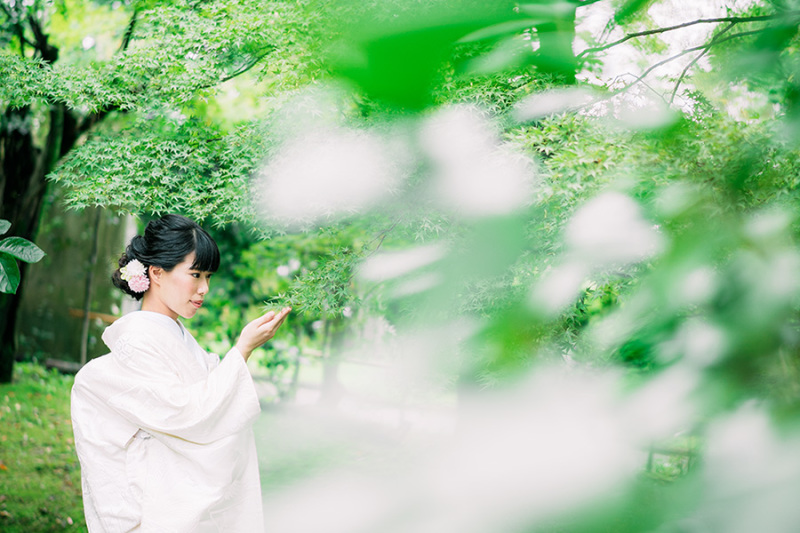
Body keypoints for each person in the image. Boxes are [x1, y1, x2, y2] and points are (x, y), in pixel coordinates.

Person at [71, 214, 290, 532]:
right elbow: (185, 415)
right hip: (157, 505)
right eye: (196, 274)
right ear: (157, 273)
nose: (204, 289)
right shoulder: (137, 342)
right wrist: (241, 350)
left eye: (208, 277)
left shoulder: (176, 336)